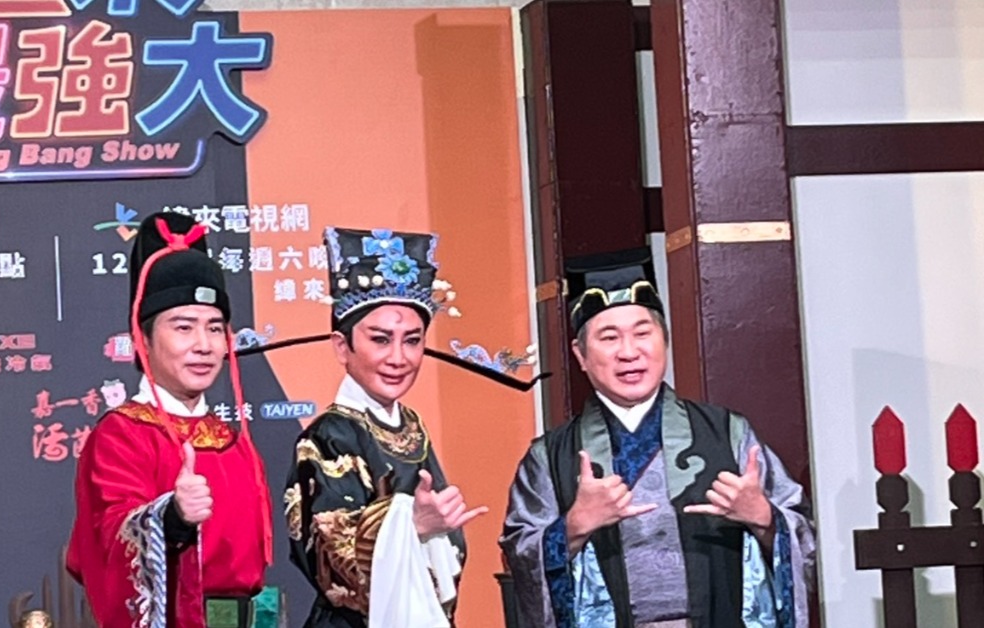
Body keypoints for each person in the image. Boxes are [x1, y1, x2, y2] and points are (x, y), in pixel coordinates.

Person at [236, 227, 547, 628]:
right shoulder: (328, 436)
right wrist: (412, 526)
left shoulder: (412, 426)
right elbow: (328, 556)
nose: (398, 358)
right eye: (381, 340)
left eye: (412, 341)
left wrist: (432, 530)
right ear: (342, 346)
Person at [499, 248, 816, 628]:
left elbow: (804, 542)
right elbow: (519, 556)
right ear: (580, 355)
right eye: (609, 337)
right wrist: (573, 527)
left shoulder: (727, 433)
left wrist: (764, 517)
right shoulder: (550, 456)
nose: (629, 352)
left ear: (664, 340)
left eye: (642, 333)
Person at [67, 212, 272, 628]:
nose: (203, 345)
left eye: (215, 329)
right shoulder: (122, 434)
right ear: (142, 339)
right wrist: (171, 519)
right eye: (183, 328)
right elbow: (106, 540)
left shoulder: (232, 440)